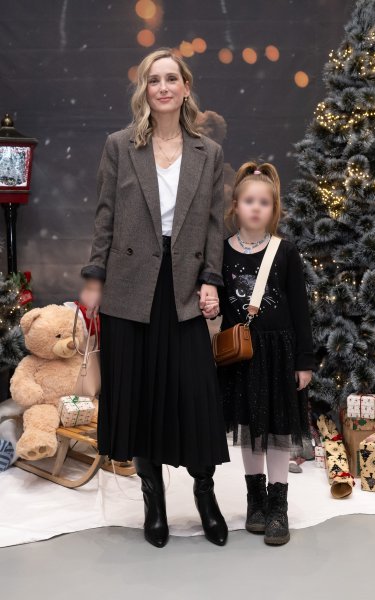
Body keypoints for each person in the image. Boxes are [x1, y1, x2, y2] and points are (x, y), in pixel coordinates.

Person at [79, 48, 230, 548]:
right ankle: (154, 501)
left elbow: (214, 224)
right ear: (144, 89)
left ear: (186, 88)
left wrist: (211, 278)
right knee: (139, 394)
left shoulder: (208, 152)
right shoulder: (120, 145)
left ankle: (205, 495)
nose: (163, 87)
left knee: (194, 394)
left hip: (184, 283)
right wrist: (95, 278)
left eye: (171, 79)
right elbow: (105, 217)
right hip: (130, 285)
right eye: (153, 80)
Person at [216, 162, 316, 546]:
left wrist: (304, 362)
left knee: (277, 429)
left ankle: (278, 505)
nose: (256, 208)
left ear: (274, 209)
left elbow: (301, 309)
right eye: (249, 201)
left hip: (279, 354)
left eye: (264, 202)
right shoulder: (222, 251)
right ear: (235, 206)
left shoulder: (285, 251)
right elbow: (218, 302)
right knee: (250, 427)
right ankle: (255, 499)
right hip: (243, 355)